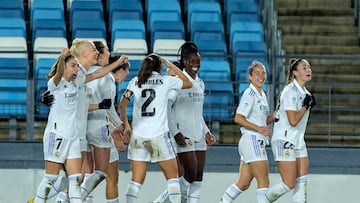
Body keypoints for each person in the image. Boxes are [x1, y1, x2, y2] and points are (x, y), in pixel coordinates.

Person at [119, 53, 192, 203]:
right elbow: (188, 82)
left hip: (138, 137)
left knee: (136, 181)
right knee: (173, 179)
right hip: (158, 135)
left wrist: (126, 124)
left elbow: (122, 103)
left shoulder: (135, 81)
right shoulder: (166, 81)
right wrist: (170, 65)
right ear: (160, 66)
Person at [219, 61, 275, 203]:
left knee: (243, 183)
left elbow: (261, 121)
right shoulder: (250, 93)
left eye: (263, 73)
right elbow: (238, 117)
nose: (261, 76)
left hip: (252, 142)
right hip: (253, 140)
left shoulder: (262, 94)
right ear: (250, 77)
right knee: (264, 182)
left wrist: (272, 117)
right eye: (257, 73)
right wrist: (259, 129)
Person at [32, 49, 83, 203]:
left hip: (73, 136)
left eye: (77, 66)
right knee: (51, 178)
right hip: (57, 135)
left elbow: (91, 74)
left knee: (75, 179)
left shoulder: (74, 85)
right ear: (64, 66)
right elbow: (59, 74)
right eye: (73, 66)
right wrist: (62, 57)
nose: (76, 69)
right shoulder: (56, 84)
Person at [168, 41, 216, 203]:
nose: (195, 64)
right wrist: (175, 132)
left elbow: (198, 113)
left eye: (197, 61)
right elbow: (168, 109)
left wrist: (206, 131)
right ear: (184, 61)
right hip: (184, 134)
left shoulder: (200, 83)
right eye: (191, 61)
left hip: (198, 134)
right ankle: (163, 201)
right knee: (189, 174)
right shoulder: (178, 81)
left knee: (197, 177)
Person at [264, 58, 315, 203]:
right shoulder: (290, 92)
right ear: (295, 72)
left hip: (298, 140)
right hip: (284, 140)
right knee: (289, 183)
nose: (308, 70)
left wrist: (306, 104)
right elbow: (292, 121)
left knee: (302, 183)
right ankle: (264, 200)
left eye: (309, 67)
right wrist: (305, 107)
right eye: (304, 68)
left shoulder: (306, 93)